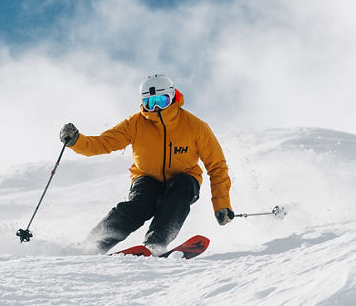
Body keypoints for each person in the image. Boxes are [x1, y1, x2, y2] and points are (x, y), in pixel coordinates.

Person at [59, 74, 234, 254]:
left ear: (172, 96)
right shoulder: (135, 124)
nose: (156, 108)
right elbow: (103, 143)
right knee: (139, 205)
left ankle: (156, 243)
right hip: (146, 177)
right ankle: (93, 244)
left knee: (179, 192)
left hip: (184, 179)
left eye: (161, 101)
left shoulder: (196, 127)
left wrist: (221, 204)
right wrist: (76, 141)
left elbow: (217, 166)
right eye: (150, 103)